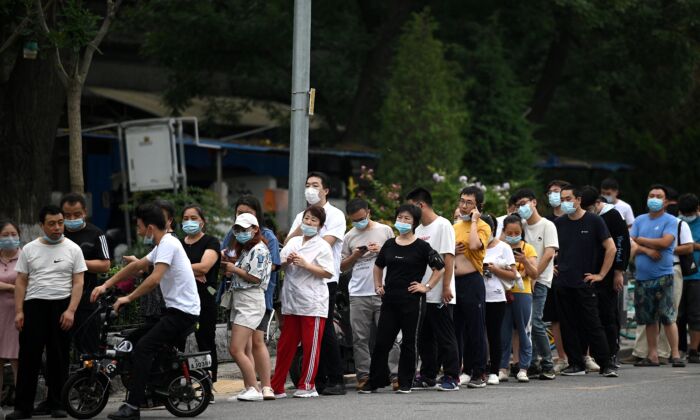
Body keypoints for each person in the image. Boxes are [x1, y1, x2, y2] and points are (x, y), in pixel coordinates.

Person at [92, 203, 201, 420]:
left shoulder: (169, 244)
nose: (138, 231)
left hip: (183, 313)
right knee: (132, 340)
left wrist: (128, 297)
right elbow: (136, 267)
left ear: (150, 228)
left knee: (143, 348)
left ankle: (133, 406)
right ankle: (148, 387)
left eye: (139, 226)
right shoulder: (162, 245)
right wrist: (106, 285)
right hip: (174, 312)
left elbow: (154, 279)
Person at [7, 206, 86, 420]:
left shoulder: (73, 248)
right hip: (34, 306)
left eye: (60, 222)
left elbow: (78, 282)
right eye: (51, 223)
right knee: (28, 357)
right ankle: (23, 407)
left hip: (62, 306)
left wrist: (71, 310)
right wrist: (19, 311)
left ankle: (57, 404)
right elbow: (21, 281)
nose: (57, 227)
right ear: (41, 225)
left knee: (58, 357)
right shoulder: (30, 249)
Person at [359, 204, 445, 394]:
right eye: (400, 217)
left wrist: (426, 286)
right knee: (382, 341)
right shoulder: (389, 244)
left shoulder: (422, 246)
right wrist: (378, 285)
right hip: (390, 300)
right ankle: (375, 381)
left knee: (409, 342)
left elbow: (440, 267)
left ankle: (406, 382)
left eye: (407, 218)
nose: (403, 221)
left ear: (414, 222)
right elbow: (378, 266)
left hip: (413, 301)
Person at [285, 172, 347, 395]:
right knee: (308, 331)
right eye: (307, 185)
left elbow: (324, 244)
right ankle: (317, 380)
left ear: (326, 190)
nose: (310, 189)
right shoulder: (301, 215)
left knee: (325, 326)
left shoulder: (336, 215)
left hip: (324, 279)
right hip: (299, 282)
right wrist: (304, 224)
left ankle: (336, 379)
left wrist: (301, 243)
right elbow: (288, 242)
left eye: (315, 185)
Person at [553, 184, 618, 377]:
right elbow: (551, 249)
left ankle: (606, 364)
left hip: (585, 282)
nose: (565, 203)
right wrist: (552, 267)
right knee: (567, 324)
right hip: (563, 281)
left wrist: (601, 275)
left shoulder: (594, 221)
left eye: (568, 199)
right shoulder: (559, 223)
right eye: (562, 199)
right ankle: (576, 363)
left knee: (593, 323)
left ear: (579, 199)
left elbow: (611, 248)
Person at [272, 206, 334, 398]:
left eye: (313, 220)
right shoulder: (293, 242)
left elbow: (328, 272)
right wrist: (288, 261)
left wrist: (307, 265)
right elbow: (279, 264)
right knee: (285, 346)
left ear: (320, 226)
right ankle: (277, 387)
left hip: (312, 303)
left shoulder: (323, 245)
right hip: (291, 301)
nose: (308, 222)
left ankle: (307, 385)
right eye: (306, 219)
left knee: (310, 346)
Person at [222, 195, 280, 396]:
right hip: (242, 299)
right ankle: (252, 387)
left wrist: (234, 269)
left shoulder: (262, 246)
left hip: (252, 299)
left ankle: (258, 387)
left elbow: (257, 276)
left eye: (245, 228)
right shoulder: (245, 246)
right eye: (238, 228)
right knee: (240, 347)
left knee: (245, 346)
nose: (240, 233)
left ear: (256, 227)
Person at [405, 188, 461, 392]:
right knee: (425, 337)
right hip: (422, 292)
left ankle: (452, 376)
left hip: (440, 292)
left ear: (420, 205)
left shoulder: (443, 225)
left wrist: (446, 287)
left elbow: (448, 257)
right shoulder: (418, 231)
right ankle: (428, 375)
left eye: (411, 206)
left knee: (445, 336)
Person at [340, 198, 397, 391]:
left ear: (369, 212)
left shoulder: (385, 230)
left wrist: (381, 252)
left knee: (390, 335)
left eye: (362, 218)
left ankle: (395, 374)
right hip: (358, 293)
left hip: (382, 291)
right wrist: (355, 255)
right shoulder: (349, 237)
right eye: (355, 220)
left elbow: (396, 256)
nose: (359, 223)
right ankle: (364, 375)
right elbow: (341, 266)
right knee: (359, 338)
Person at [629, 185, 685, 368]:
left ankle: (675, 354)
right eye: (651, 195)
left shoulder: (670, 220)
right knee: (648, 318)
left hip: (663, 276)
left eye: (658, 196)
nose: (654, 198)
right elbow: (632, 243)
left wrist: (641, 241)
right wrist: (646, 249)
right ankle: (652, 355)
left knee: (668, 317)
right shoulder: (639, 220)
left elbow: (665, 242)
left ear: (666, 201)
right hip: (642, 277)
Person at [580, 187, 630, 367]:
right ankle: (591, 354)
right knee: (590, 316)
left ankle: (611, 353)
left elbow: (622, 244)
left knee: (608, 315)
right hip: (589, 272)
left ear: (597, 203)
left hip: (608, 274)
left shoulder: (613, 216)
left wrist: (618, 271)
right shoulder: (585, 217)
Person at [511, 188, 558, 380]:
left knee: (536, 321)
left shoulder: (547, 225)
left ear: (534, 202)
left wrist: (535, 272)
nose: (522, 208)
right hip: (521, 281)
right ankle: (531, 362)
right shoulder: (519, 226)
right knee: (525, 324)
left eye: (524, 203)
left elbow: (549, 253)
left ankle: (548, 364)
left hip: (540, 281)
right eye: (518, 205)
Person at [59, 193, 111, 355]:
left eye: (76, 214)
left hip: (87, 299)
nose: (72, 218)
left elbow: (105, 265)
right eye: (67, 215)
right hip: (59, 297)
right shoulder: (57, 234)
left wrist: (77, 262)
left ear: (85, 212)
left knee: (89, 349)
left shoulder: (96, 233)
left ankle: (91, 379)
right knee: (59, 348)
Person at [179, 205, 221, 392]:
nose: (189, 222)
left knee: (204, 340)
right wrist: (191, 271)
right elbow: (167, 266)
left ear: (202, 221)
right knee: (176, 341)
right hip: (180, 299)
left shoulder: (211, 242)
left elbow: (205, 267)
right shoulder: (178, 244)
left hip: (204, 298)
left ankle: (207, 382)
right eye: (186, 218)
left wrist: (183, 268)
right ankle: (178, 382)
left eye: (194, 218)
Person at [453, 186, 492, 388]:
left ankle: (479, 371)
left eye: (469, 202)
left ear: (478, 206)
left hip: (472, 280)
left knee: (475, 327)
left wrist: (475, 221)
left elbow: (476, 245)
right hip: (454, 281)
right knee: (456, 327)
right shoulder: (455, 226)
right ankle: (462, 369)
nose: (464, 205)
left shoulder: (483, 226)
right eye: (462, 201)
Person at [498, 214, 538, 383]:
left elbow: (535, 273)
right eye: (509, 232)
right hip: (503, 293)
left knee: (524, 331)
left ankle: (523, 367)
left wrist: (525, 261)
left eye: (516, 232)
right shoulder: (500, 247)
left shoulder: (528, 248)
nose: (513, 236)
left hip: (523, 293)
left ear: (522, 232)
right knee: (503, 332)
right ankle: (502, 367)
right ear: (503, 232)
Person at [481, 215, 516, 385]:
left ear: (493, 229)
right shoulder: (474, 246)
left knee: (494, 334)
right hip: (476, 296)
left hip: (496, 296)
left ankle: (494, 370)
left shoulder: (504, 247)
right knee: (476, 334)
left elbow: (513, 275)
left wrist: (494, 269)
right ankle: (476, 370)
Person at [543, 179, 569, 372]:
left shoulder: (576, 219)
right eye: (550, 192)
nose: (554, 195)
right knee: (555, 318)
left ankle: (583, 356)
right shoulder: (546, 221)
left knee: (576, 317)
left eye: (557, 191)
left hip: (573, 273)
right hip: (551, 274)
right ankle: (561, 357)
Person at [0, 220, 21, 405]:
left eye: (13, 234)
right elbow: (19, 285)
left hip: (18, 314)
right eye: (5, 235)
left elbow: (30, 283)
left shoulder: (26, 258)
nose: (10, 238)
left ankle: (22, 404)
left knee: (18, 360)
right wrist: (12, 287)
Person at [677, 193, 700, 363]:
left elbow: (687, 246)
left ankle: (694, 350)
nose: (687, 216)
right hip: (678, 272)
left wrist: (691, 246)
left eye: (689, 213)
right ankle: (680, 348)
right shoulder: (676, 222)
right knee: (678, 315)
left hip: (697, 275)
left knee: (695, 314)